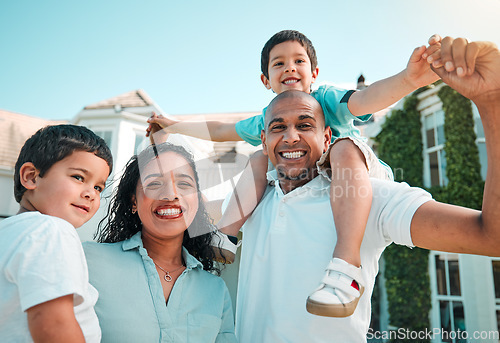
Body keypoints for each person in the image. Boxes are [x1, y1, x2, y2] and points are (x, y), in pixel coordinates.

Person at [146, 29, 441, 317]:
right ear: (266, 79)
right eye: (279, 63)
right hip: (305, 181)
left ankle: (347, 263)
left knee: (343, 147)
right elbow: (222, 130)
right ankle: (225, 235)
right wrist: (173, 125)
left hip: (357, 176)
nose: (290, 67)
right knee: (259, 157)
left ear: (314, 73)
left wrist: (408, 79)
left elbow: (366, 99)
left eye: (299, 61)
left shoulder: (325, 99)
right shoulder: (268, 119)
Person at [233, 36, 500, 342]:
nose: (291, 136)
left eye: (305, 125)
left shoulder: (365, 197)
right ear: (263, 139)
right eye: (278, 127)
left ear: (326, 137)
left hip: (357, 169)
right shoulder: (249, 199)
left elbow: (492, 236)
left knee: (349, 150)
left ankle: (346, 266)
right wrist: (171, 125)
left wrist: (493, 103)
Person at [83, 142, 237, 342]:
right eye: (155, 183)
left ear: (197, 200)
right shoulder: (88, 261)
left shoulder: (215, 290)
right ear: (134, 202)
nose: (171, 195)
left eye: (184, 184)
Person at [0, 124, 113, 343]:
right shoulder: (51, 230)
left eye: (99, 187)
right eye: (79, 177)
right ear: (32, 177)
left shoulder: (9, 232)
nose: (90, 193)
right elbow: (53, 324)